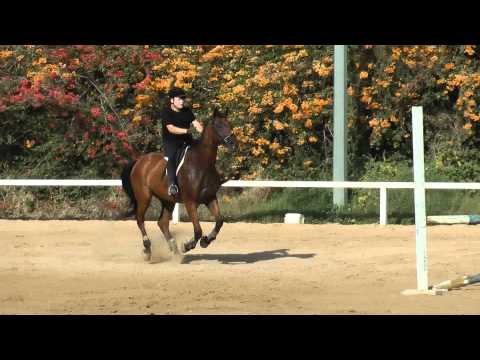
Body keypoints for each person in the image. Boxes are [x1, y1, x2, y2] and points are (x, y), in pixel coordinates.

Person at [160, 87, 204, 196]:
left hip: (187, 141)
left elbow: (196, 124)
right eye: (179, 99)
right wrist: (187, 130)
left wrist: (204, 133)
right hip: (171, 142)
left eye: (183, 99)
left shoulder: (187, 111)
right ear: (172, 100)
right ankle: (173, 185)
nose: (182, 101)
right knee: (171, 158)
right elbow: (171, 128)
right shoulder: (166, 112)